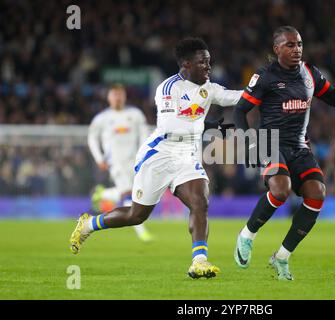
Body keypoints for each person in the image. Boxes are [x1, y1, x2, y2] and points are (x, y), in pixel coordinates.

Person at [70, 37, 242, 279]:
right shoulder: (168, 88)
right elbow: (175, 125)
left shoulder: (208, 88)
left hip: (186, 156)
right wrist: (209, 125)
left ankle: (199, 261)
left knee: (199, 202)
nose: (208, 67)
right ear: (186, 64)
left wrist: (264, 89)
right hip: (160, 155)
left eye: (209, 62)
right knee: (136, 215)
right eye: (203, 62)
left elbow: (237, 97)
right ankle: (88, 224)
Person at [233, 26, 335, 280]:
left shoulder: (310, 73)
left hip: (299, 145)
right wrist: (250, 144)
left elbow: (334, 98)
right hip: (271, 142)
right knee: (280, 189)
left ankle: (282, 257)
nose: (297, 49)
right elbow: (239, 111)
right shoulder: (265, 76)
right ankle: (246, 236)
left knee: (317, 195)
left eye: (300, 44)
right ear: (276, 49)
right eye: (290, 45)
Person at [87, 84, 153, 242]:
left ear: (124, 96)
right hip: (115, 162)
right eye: (114, 95)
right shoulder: (102, 118)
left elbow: (145, 134)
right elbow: (92, 139)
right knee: (128, 195)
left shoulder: (135, 114)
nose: (117, 98)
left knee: (134, 192)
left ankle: (102, 194)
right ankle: (142, 232)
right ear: (109, 97)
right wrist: (99, 158)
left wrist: (145, 154)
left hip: (134, 161)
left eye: (120, 95)